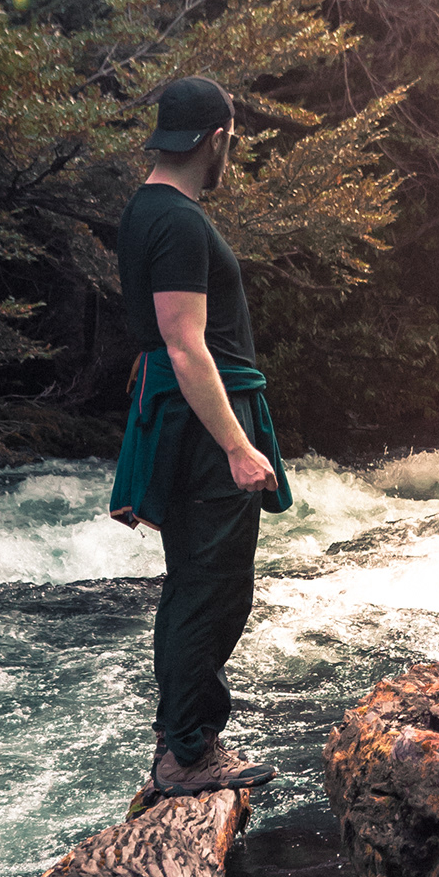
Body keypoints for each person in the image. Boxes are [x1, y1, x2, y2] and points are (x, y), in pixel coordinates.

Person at [109, 76, 291, 798]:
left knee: (194, 581)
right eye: (231, 143)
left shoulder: (144, 212)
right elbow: (185, 345)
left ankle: (182, 739)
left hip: (185, 417)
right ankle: (187, 753)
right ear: (216, 138)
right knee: (213, 587)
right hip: (204, 422)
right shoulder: (180, 222)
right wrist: (237, 447)